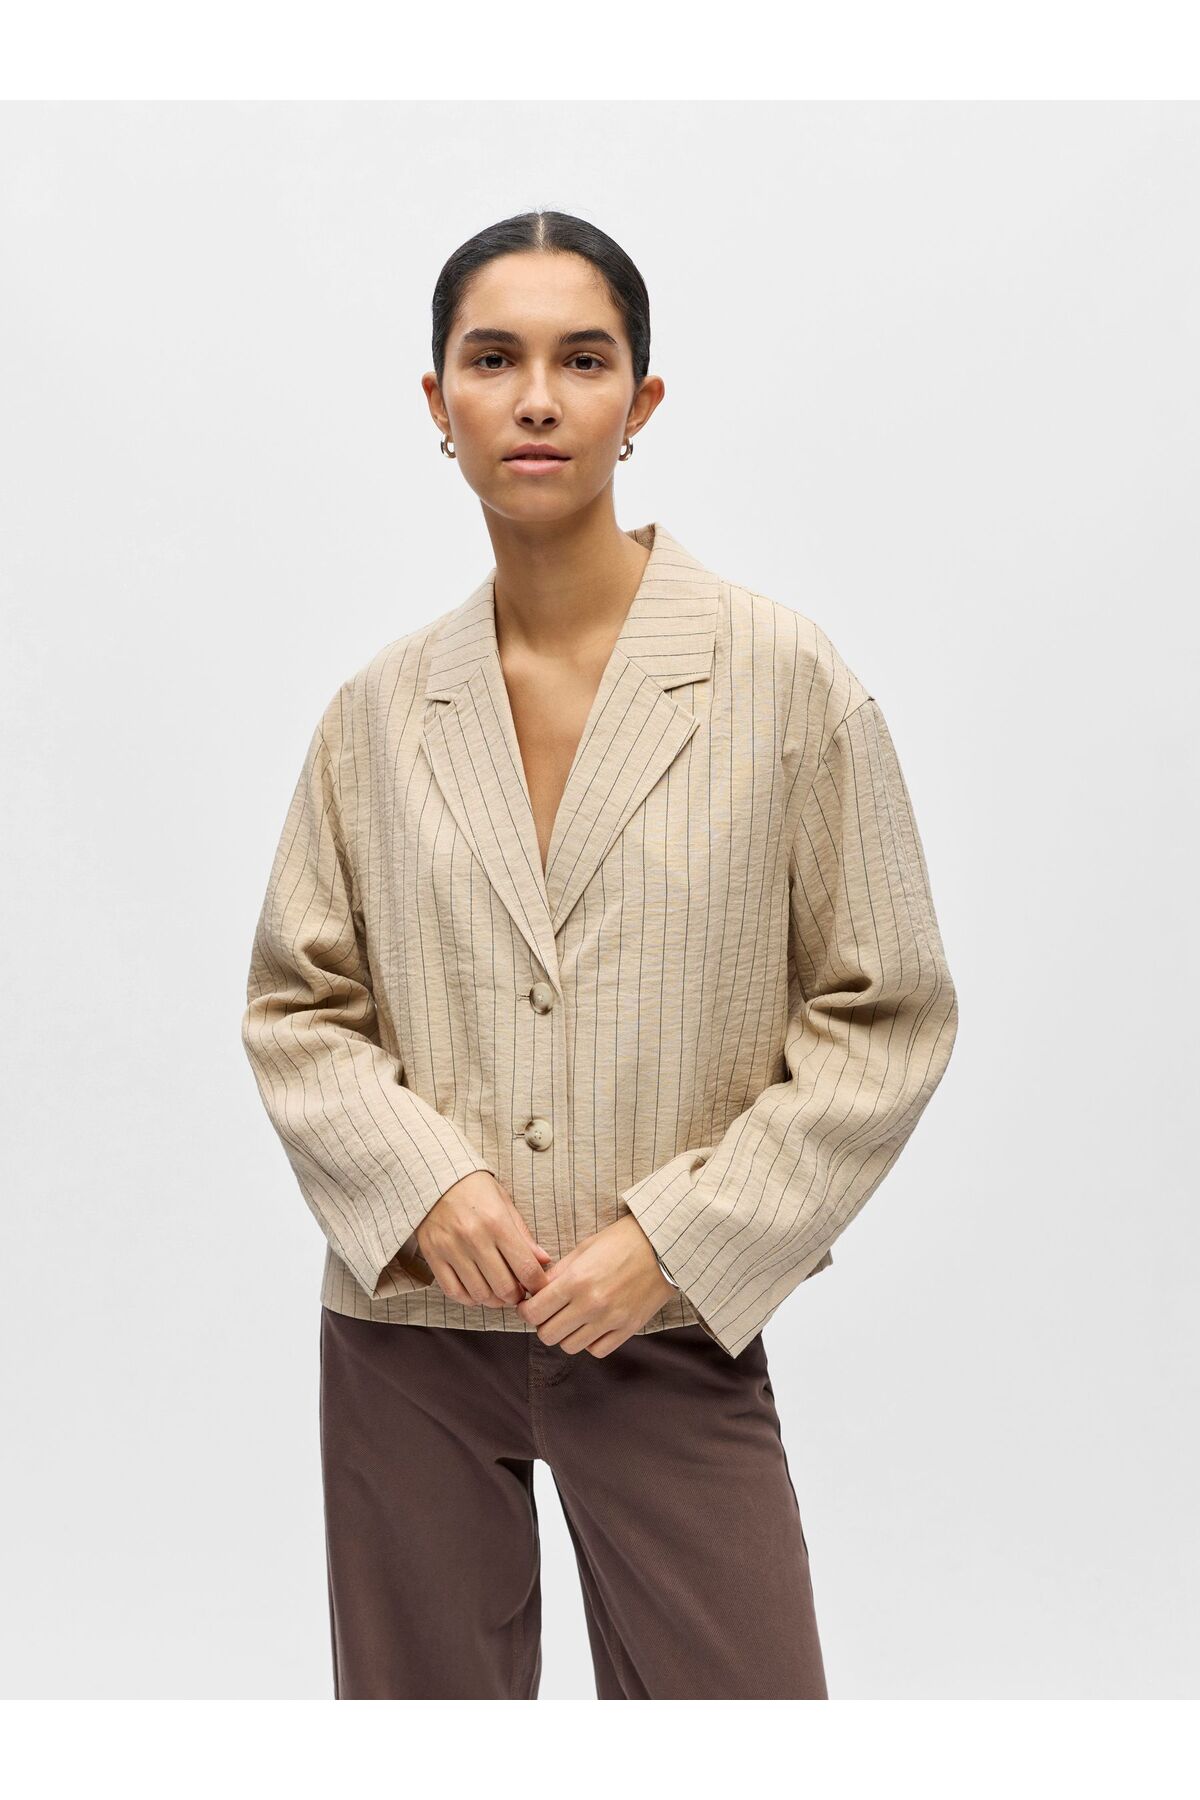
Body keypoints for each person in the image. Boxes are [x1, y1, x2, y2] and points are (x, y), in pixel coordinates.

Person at [240, 209, 959, 1700]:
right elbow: (299, 1006)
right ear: (438, 403)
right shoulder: (377, 715)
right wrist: (421, 1183)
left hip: (668, 1327)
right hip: (408, 1338)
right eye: (492, 360)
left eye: (582, 360)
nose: (537, 399)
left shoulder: (783, 682)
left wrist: (679, 1240)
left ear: (641, 401)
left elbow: (886, 1010)